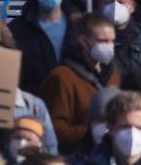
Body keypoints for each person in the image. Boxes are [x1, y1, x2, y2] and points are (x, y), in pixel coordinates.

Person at [42, 13, 123, 152]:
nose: (110, 46)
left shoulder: (113, 75)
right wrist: (93, 132)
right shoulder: (61, 76)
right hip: (76, 158)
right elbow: (53, 128)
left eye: (112, 41)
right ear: (84, 41)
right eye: (103, 41)